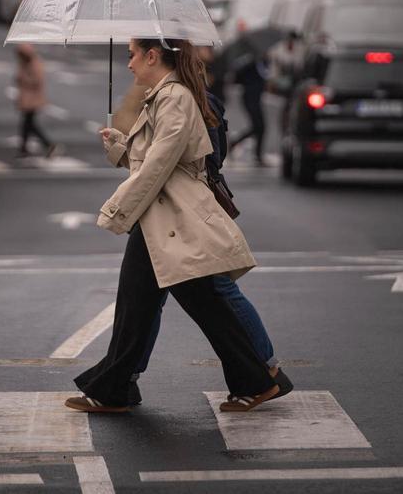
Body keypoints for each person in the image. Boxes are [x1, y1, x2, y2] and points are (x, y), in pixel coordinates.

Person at [66, 38, 283, 414]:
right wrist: (120, 146)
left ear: (153, 55)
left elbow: (159, 166)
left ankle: (256, 379)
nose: (130, 63)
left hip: (174, 218)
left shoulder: (174, 97)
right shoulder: (163, 95)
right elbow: (155, 159)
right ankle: (115, 388)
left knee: (205, 303)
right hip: (161, 217)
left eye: (133, 54)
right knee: (139, 303)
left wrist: (116, 209)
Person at [127, 88, 292, 406]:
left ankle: (266, 369)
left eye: (134, 53)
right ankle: (125, 376)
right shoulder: (179, 96)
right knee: (150, 297)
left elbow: (195, 161)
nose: (130, 62)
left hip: (183, 214)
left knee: (217, 288)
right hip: (168, 213)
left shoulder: (186, 99)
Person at [14, 44, 58, 158]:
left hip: (33, 99)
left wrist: (22, 79)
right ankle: (24, 148)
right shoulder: (24, 63)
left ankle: (48, 144)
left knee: (29, 124)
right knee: (27, 124)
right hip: (27, 98)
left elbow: (37, 80)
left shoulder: (34, 63)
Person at [228, 52, 269, 164]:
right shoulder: (250, 63)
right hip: (249, 98)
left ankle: (235, 143)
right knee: (260, 126)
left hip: (256, 98)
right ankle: (257, 156)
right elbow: (237, 76)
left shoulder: (264, 63)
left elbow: (265, 76)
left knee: (258, 127)